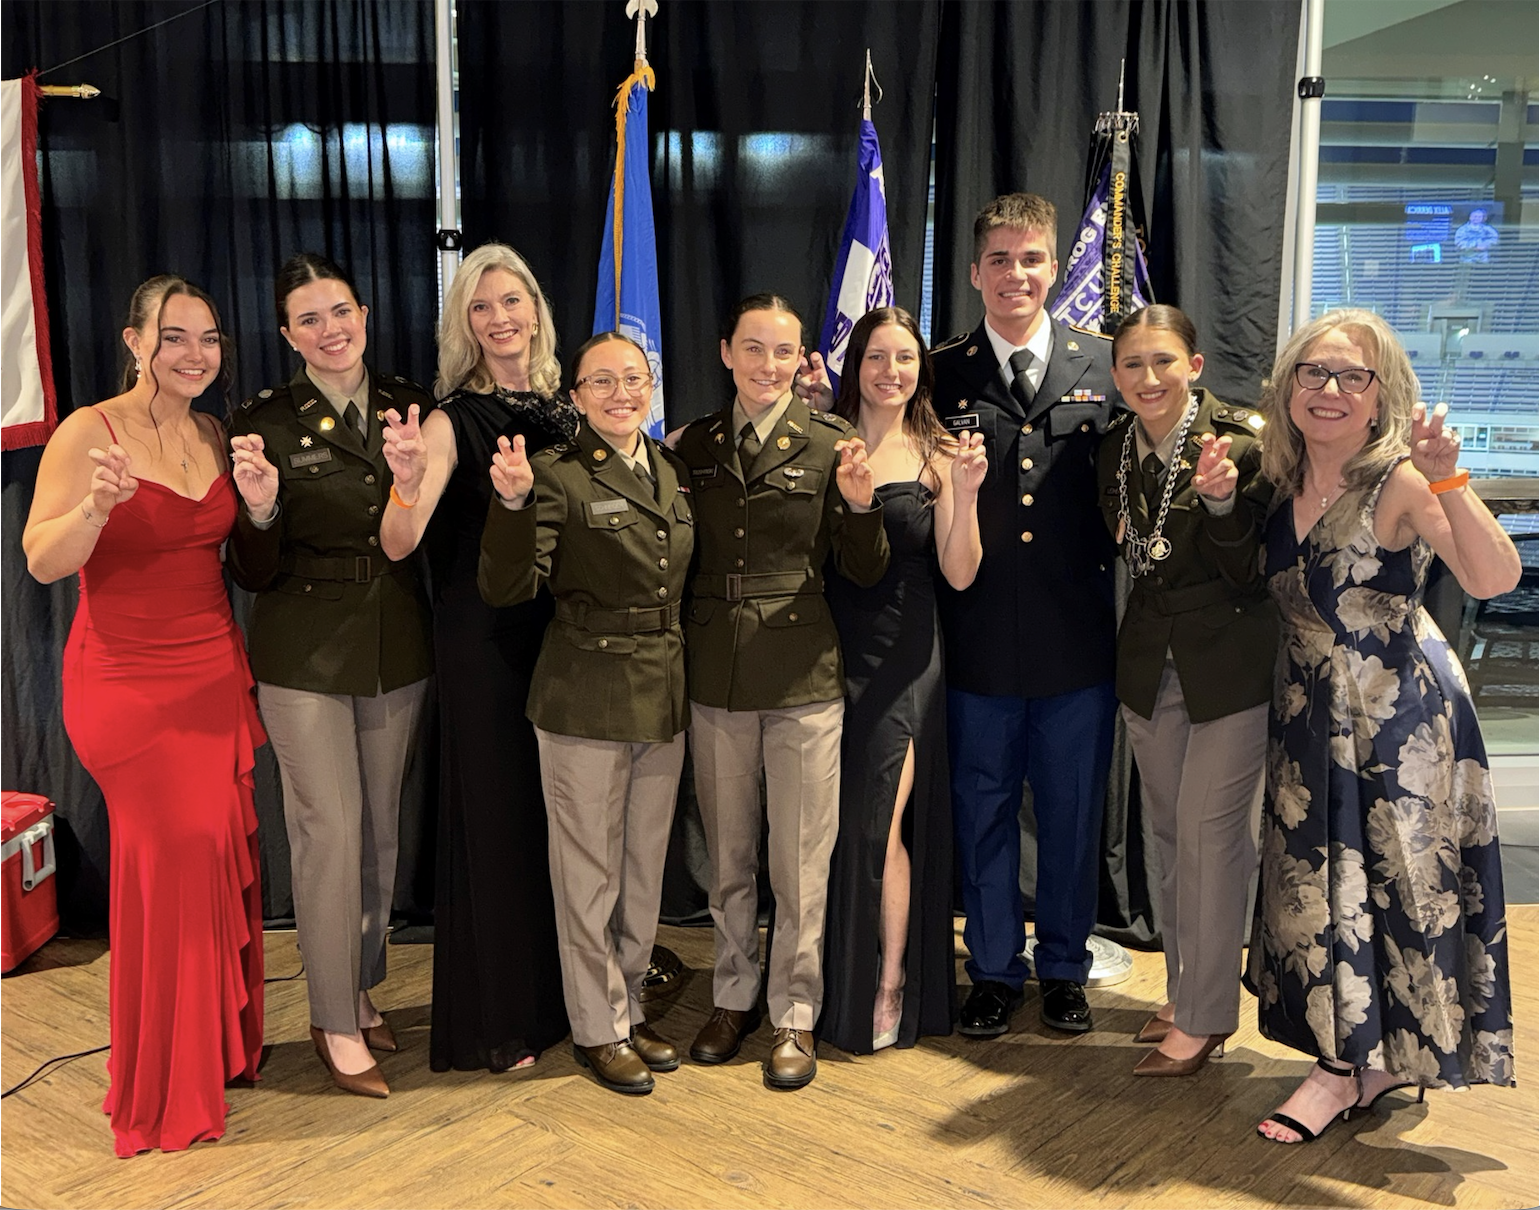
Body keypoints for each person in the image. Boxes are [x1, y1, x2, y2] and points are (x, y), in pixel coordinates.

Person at [1247, 308, 1518, 1143]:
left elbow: (1495, 576)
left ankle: (1340, 1074)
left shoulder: (1398, 479)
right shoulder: (1279, 478)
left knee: (1391, 893)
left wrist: (1449, 480)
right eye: (1314, 373)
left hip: (1396, 724)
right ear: (1289, 385)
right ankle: (1363, 1060)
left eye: (1351, 376)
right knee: (1323, 895)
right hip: (1307, 714)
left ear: (1381, 395)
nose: (1329, 391)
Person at [22, 276, 264, 1155]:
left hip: (211, 671)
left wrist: (263, 503)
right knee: (168, 867)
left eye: (208, 338)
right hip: (125, 681)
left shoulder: (210, 430)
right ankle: (164, 1087)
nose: (194, 354)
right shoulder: (90, 429)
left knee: (208, 856)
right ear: (134, 342)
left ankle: (214, 1049)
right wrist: (96, 506)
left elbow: (235, 546)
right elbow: (45, 561)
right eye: (174, 337)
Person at [227, 253, 434, 1099]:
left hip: (394, 640)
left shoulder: (404, 405)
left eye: (339, 310)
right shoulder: (263, 421)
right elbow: (247, 565)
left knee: (380, 834)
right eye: (308, 319)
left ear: (365, 310)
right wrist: (263, 507)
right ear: (287, 335)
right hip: (303, 649)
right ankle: (331, 1017)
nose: (330, 329)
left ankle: (356, 982)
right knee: (330, 833)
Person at [673, 293, 890, 1090]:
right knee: (729, 857)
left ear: (804, 361)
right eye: (753, 349)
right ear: (726, 351)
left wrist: (863, 511)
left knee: (800, 861)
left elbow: (863, 570)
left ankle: (794, 1014)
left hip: (802, 675)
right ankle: (732, 998)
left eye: (785, 353)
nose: (769, 366)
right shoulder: (689, 446)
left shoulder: (832, 444)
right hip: (716, 674)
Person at [477, 332, 693, 1095]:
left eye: (633, 379)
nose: (620, 393)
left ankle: (629, 1006)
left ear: (651, 386)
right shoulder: (555, 477)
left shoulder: (669, 468)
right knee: (588, 877)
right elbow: (508, 588)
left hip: (662, 693)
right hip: (583, 696)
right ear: (575, 396)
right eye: (601, 382)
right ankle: (597, 1030)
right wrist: (508, 503)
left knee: (641, 873)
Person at [379, 242, 572, 1073]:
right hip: (486, 641)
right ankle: (502, 1022)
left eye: (512, 301)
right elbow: (399, 540)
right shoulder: (452, 420)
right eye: (481, 307)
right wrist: (408, 480)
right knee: (497, 824)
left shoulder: (571, 406)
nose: (500, 319)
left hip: (564, 636)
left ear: (536, 309)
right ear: (464, 324)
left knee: (554, 825)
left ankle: (564, 1000)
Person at [930, 192, 1118, 1038]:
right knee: (984, 811)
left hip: (1078, 645)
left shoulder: (1108, 366)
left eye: (1032, 258)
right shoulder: (938, 374)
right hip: (978, 644)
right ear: (975, 272)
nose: (1016, 274)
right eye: (999, 259)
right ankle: (997, 969)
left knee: (1073, 818)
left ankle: (1065, 969)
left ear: (1054, 267)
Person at [1094, 305, 1277, 1076]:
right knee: (1170, 836)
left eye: (1164, 361)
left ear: (1193, 366)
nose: (1148, 378)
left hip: (1228, 663)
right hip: (1150, 657)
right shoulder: (1113, 449)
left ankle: (1205, 1021)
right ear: (1115, 375)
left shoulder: (1239, 443)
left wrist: (1223, 504)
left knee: (1211, 837)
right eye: (1132, 364)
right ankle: (1181, 990)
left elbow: (1252, 571)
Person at [819, 306, 985, 1055]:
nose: (893, 371)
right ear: (854, 363)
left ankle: (889, 985)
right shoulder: (821, 442)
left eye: (907, 359)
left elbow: (959, 570)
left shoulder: (942, 454)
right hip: (820, 660)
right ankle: (825, 985)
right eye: (879, 357)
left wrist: (971, 495)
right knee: (828, 833)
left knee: (876, 825)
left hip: (903, 661)